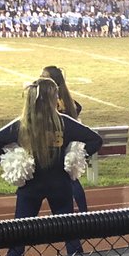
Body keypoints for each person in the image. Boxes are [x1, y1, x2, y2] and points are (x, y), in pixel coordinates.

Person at [0, 78, 103, 256]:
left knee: (19, 233)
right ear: (52, 98)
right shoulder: (64, 123)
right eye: (56, 94)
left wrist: (12, 160)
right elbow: (95, 140)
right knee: (70, 233)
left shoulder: (21, 125)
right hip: (60, 185)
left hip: (31, 186)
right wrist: (76, 155)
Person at [42, 65, 89, 213]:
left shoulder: (53, 101)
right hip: (66, 143)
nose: (40, 77)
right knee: (72, 180)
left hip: (55, 144)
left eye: (44, 76)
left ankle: (76, 214)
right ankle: (83, 212)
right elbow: (77, 108)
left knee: (68, 180)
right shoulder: (67, 99)